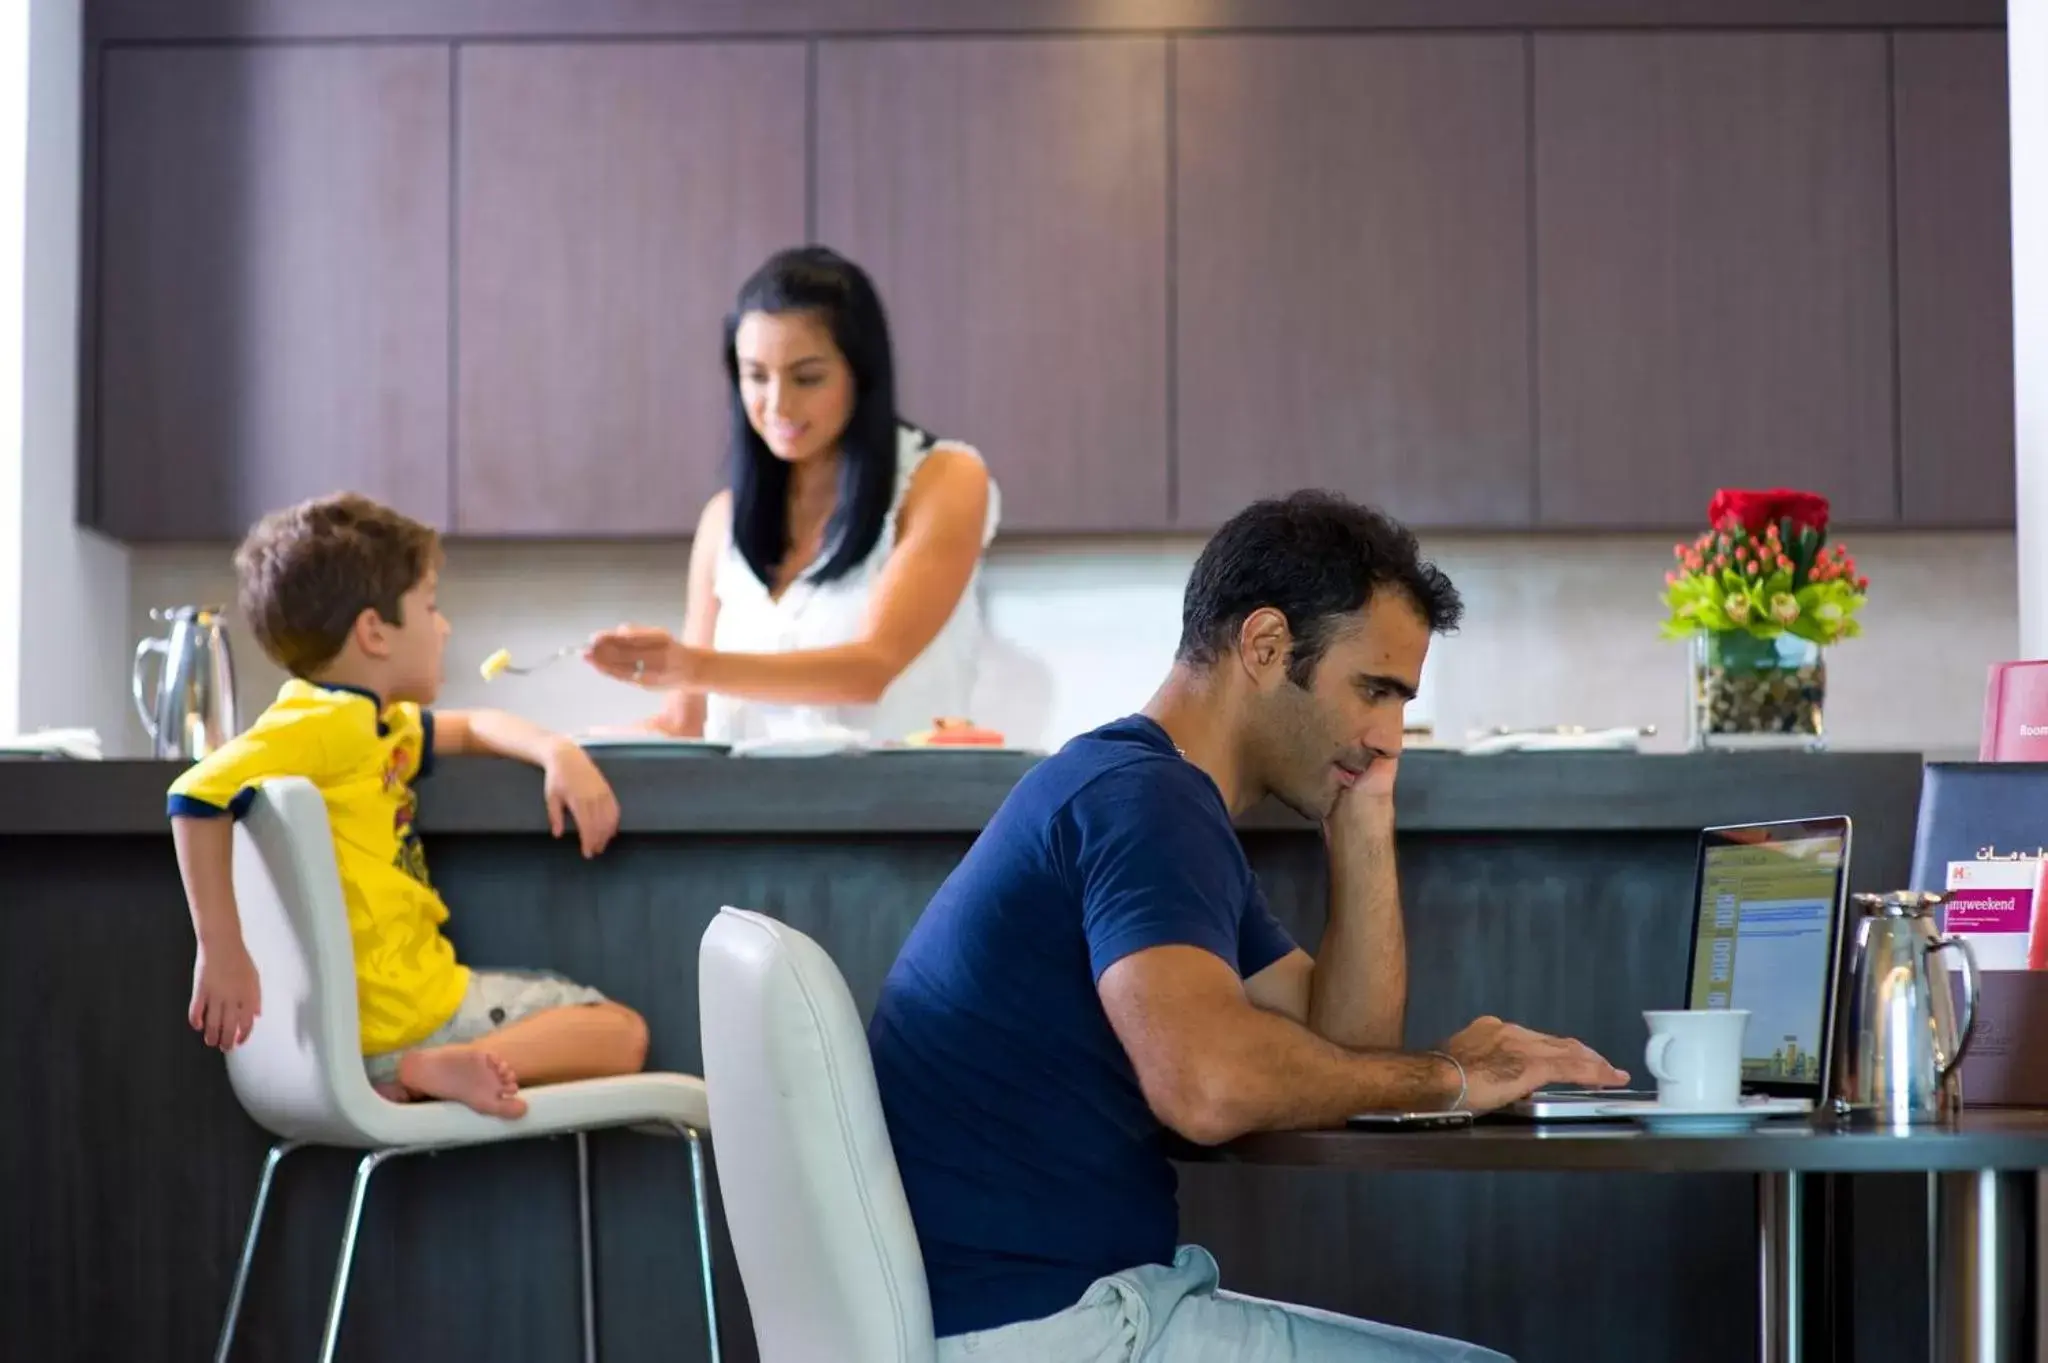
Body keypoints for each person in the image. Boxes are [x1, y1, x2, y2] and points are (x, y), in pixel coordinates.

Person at [866, 491, 1629, 1362]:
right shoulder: (1147, 802)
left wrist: (1363, 816)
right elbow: (1209, 1085)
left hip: (1047, 1314)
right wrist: (1452, 1076)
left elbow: (1349, 1042)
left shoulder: (1144, 793)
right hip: (1051, 1328)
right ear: (1265, 647)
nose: (1391, 735)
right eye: (1373, 690)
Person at [168, 493, 644, 1119]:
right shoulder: (327, 724)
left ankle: (428, 1069)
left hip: (373, 1023)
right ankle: (426, 1070)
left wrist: (558, 751)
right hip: (411, 1017)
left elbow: (471, 729)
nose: (443, 626)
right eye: (430, 605)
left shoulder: (367, 722)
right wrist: (221, 949)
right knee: (621, 1032)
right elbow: (196, 791)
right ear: (374, 632)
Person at [583, 246, 1001, 743]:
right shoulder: (724, 518)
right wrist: (557, 750)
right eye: (756, 376)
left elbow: (870, 669)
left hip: (898, 811)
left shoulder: (946, 477)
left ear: (860, 375)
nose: (778, 404)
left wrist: (692, 666)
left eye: (807, 378)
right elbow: (683, 722)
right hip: (749, 813)